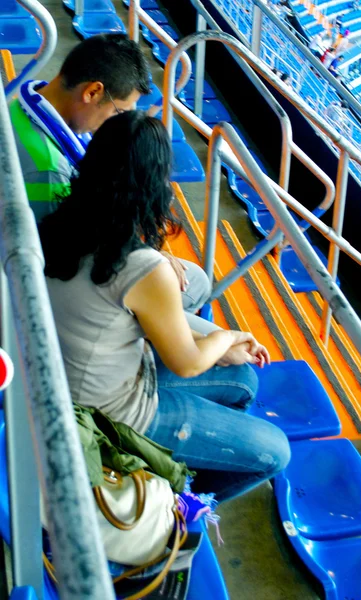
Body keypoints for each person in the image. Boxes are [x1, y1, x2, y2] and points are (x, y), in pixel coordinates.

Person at [38, 112, 291, 503]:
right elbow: (186, 363)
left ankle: (175, 466)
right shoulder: (140, 267)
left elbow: (139, 321)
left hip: (74, 382)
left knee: (243, 380)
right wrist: (225, 337)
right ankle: (179, 510)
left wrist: (221, 350)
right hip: (109, 414)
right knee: (275, 452)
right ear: (154, 183)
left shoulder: (62, 219)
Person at [10, 33, 214, 335]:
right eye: (120, 111)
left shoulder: (20, 107)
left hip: (64, 258)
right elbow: (65, 253)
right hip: (52, 292)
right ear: (93, 92)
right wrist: (145, 259)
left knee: (192, 279)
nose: (118, 122)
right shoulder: (47, 171)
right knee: (198, 298)